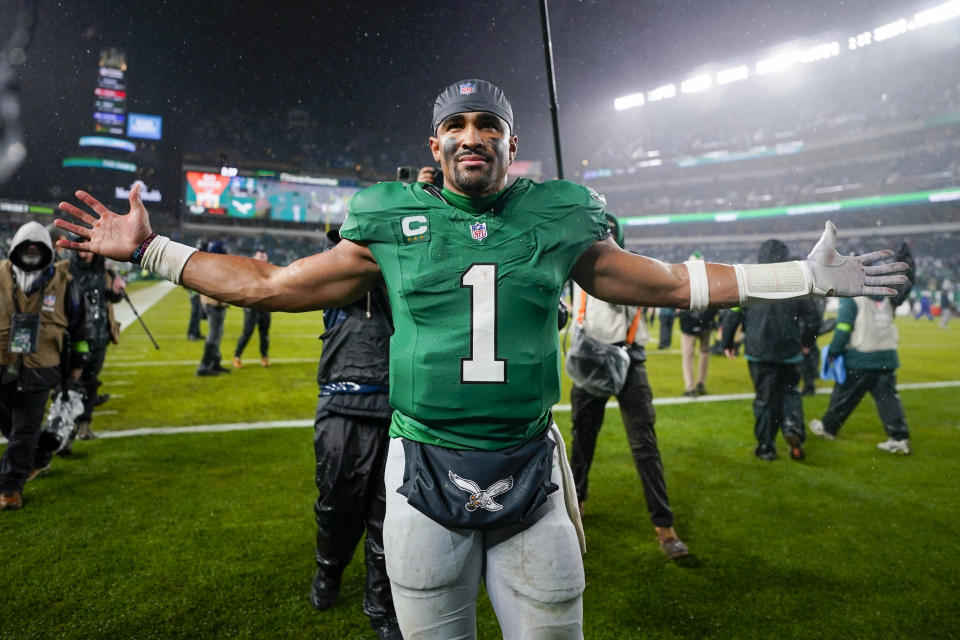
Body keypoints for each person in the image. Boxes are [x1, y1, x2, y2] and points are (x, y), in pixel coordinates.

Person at [56, 78, 906, 639]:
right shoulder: (388, 222)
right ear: (434, 145)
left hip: (530, 467)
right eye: (456, 125)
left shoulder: (559, 216)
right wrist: (153, 249)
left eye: (488, 124)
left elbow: (670, 282)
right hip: (423, 464)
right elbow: (269, 284)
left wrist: (797, 275)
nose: (472, 136)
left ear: (511, 145)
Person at [569, 215, 690, 559]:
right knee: (583, 437)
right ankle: (576, 506)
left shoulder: (631, 265)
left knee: (644, 442)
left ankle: (664, 527)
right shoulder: (574, 264)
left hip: (628, 356)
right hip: (592, 355)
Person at [309, 229, 400, 640]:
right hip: (342, 407)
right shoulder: (338, 277)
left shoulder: (404, 277)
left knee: (389, 518)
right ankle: (329, 570)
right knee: (336, 507)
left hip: (398, 412)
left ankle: (380, 603)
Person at [0, 222, 90, 510]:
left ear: (47, 251)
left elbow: (80, 332)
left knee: (24, 429)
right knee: (10, 427)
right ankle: (39, 454)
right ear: (13, 248)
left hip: (43, 367)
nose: (31, 252)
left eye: (37, 247)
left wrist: (76, 367)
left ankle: (10, 487)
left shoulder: (67, 284)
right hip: (2, 365)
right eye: (25, 247)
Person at [810, 244, 915, 455]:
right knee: (888, 400)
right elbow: (906, 286)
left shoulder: (853, 298)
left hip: (861, 356)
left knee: (844, 396)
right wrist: (909, 266)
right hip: (886, 355)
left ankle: (828, 428)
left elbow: (843, 329)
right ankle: (899, 437)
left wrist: (833, 352)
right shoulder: (887, 294)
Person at [721, 240, 821, 461]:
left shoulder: (748, 281)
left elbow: (732, 314)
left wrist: (727, 343)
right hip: (789, 350)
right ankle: (792, 429)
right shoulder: (796, 282)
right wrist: (807, 341)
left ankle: (766, 447)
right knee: (790, 393)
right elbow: (814, 316)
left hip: (759, 351)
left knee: (765, 399)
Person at [66, 247, 124, 441]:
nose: (86, 254)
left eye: (88, 249)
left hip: (99, 335)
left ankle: (84, 425)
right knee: (69, 383)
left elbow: (111, 298)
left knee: (91, 381)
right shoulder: (65, 270)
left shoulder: (102, 271)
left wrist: (117, 291)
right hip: (74, 336)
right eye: (81, 248)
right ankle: (64, 430)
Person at [678, 253, 716, 398]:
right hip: (705, 322)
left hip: (689, 323)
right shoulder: (709, 278)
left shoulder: (684, 278)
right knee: (704, 352)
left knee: (688, 355)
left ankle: (690, 387)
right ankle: (700, 383)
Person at [195, 240, 230, 376]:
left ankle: (215, 363)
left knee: (217, 335)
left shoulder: (211, 263)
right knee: (213, 335)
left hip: (216, 304)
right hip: (214, 304)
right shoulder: (213, 266)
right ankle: (204, 367)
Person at [233, 248, 272, 368]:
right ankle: (237, 356)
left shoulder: (270, 270)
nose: (262, 259)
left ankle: (264, 357)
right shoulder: (248, 270)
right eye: (259, 257)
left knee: (264, 334)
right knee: (247, 332)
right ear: (254, 258)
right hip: (252, 306)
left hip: (265, 306)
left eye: (263, 257)